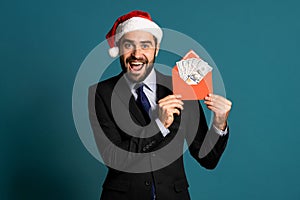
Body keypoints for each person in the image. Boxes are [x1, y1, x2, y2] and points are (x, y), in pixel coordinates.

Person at [88, 10, 232, 200]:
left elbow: (207, 159)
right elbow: (113, 159)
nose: (136, 54)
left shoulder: (182, 88)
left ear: (156, 49)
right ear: (120, 50)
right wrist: (158, 126)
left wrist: (219, 125)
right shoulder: (101, 93)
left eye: (145, 46)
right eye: (128, 45)